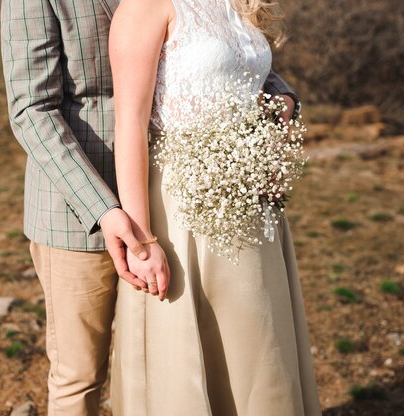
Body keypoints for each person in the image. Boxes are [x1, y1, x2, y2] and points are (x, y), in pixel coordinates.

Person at [1, 0, 301, 414]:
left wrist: (278, 97)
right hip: (79, 209)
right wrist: (107, 211)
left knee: (197, 351)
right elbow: (32, 110)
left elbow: (215, 54)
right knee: (80, 376)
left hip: (170, 200)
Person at [109, 0, 321, 415]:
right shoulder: (144, 7)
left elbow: (250, 80)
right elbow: (129, 124)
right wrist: (142, 241)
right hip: (182, 204)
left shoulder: (237, 3)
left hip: (250, 199)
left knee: (261, 341)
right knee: (190, 344)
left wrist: (279, 114)